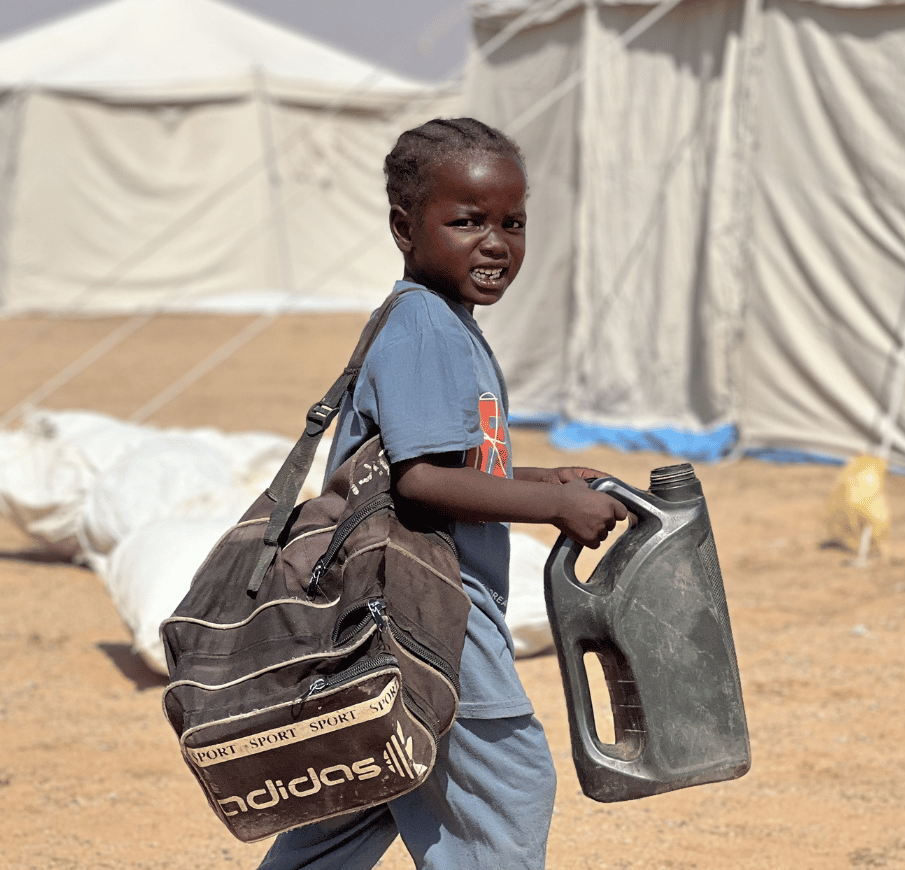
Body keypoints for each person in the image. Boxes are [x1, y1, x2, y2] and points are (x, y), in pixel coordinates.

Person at [256, 117, 628, 869]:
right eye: (466, 222)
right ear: (405, 227)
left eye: (512, 223)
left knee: (362, 802)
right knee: (506, 789)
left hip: (384, 617)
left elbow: (436, 464)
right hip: (431, 615)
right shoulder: (425, 325)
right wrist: (557, 508)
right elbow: (421, 484)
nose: (496, 242)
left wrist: (543, 478)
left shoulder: (443, 321)